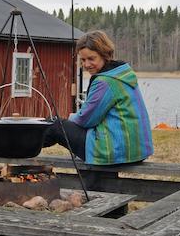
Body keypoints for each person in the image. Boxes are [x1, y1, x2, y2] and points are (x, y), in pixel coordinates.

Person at [42, 30, 154, 164]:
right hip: (136, 150)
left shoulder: (105, 81)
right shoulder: (121, 74)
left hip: (114, 150)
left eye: (91, 58)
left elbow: (86, 119)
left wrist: (71, 117)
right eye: (83, 60)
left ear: (104, 55)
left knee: (55, 125)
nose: (86, 65)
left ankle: (21, 149)